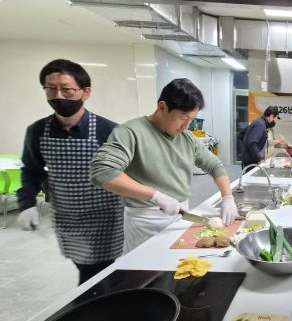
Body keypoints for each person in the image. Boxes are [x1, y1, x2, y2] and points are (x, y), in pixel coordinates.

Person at [90, 78, 238, 253]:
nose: (186, 126)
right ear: (162, 107)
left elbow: (214, 165)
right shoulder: (130, 132)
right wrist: (155, 196)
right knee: (147, 266)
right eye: (183, 118)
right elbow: (103, 172)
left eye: (191, 120)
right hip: (146, 220)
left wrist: (228, 197)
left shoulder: (187, 138)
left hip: (182, 215)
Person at [17, 59, 124, 285]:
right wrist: (27, 204)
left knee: (97, 273)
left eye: (66, 89)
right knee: (85, 266)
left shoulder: (109, 130)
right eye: (51, 89)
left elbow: (126, 172)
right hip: (67, 217)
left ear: (86, 92)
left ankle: (92, 303)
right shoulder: (38, 131)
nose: (58, 96)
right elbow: (32, 170)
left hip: (105, 218)